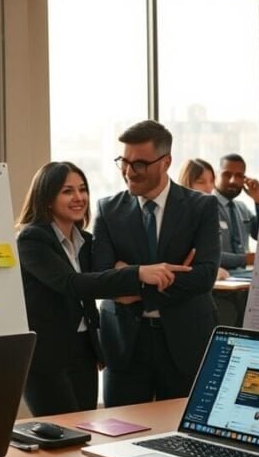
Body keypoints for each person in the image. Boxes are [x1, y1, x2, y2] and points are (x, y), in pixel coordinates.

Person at [16, 161, 191, 416]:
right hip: (46, 356)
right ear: (47, 198)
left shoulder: (86, 241)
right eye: (67, 191)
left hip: (84, 351)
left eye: (82, 189)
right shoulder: (32, 239)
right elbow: (72, 284)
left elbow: (107, 278)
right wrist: (138, 272)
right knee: (62, 434)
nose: (79, 198)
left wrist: (158, 275)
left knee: (84, 429)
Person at [92, 120, 220, 407]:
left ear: (165, 163)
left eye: (139, 164)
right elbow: (99, 278)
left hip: (185, 342)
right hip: (125, 344)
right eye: (123, 162)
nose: (128, 171)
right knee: (118, 431)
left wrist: (128, 277)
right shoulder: (108, 209)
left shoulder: (201, 207)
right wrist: (155, 275)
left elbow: (204, 277)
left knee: (183, 436)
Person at [177, 158, 229, 281]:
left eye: (212, 181)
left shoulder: (209, 211)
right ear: (187, 183)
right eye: (201, 182)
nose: (209, 187)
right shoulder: (179, 214)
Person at [214, 153, 259, 270]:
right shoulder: (206, 206)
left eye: (239, 176)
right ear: (216, 175)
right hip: (219, 280)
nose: (233, 181)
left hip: (242, 278)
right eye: (227, 175)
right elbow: (208, 254)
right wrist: (245, 259)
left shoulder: (242, 208)